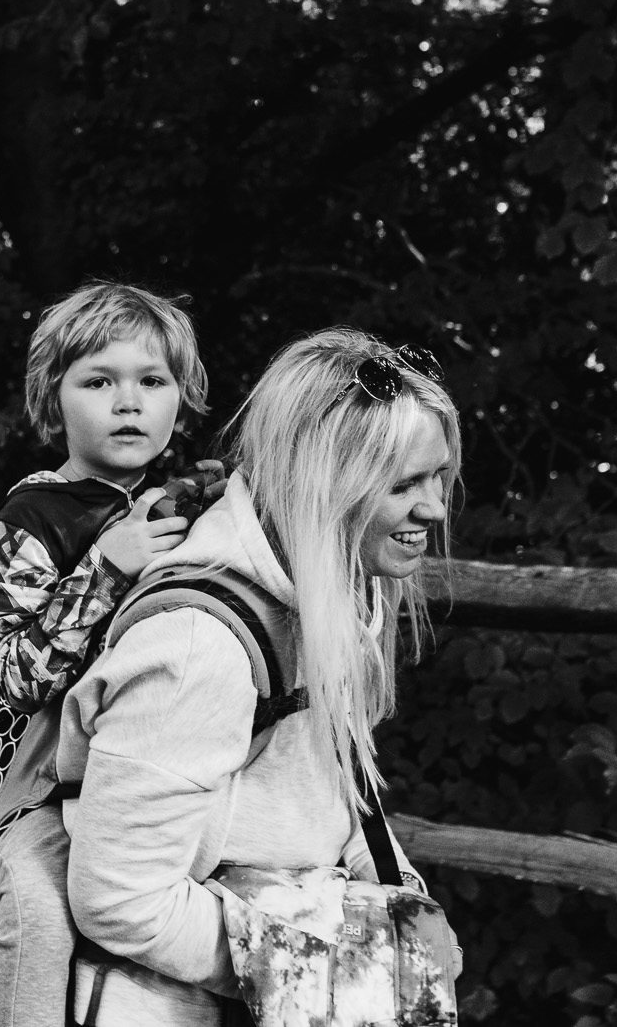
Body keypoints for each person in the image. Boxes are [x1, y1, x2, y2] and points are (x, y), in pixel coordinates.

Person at [54, 328, 457, 1024]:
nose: (436, 508)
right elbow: (117, 897)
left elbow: (330, 792)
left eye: (439, 476)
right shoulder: (195, 648)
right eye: (405, 484)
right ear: (330, 484)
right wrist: (331, 958)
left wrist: (407, 910)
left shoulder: (331, 591)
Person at [0, 281, 210, 1027]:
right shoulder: (24, 523)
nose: (127, 402)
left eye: (151, 381)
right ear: (53, 400)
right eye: (99, 381)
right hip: (41, 781)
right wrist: (106, 566)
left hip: (157, 764)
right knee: (41, 915)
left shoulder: (195, 507)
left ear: (180, 398)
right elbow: (19, 674)